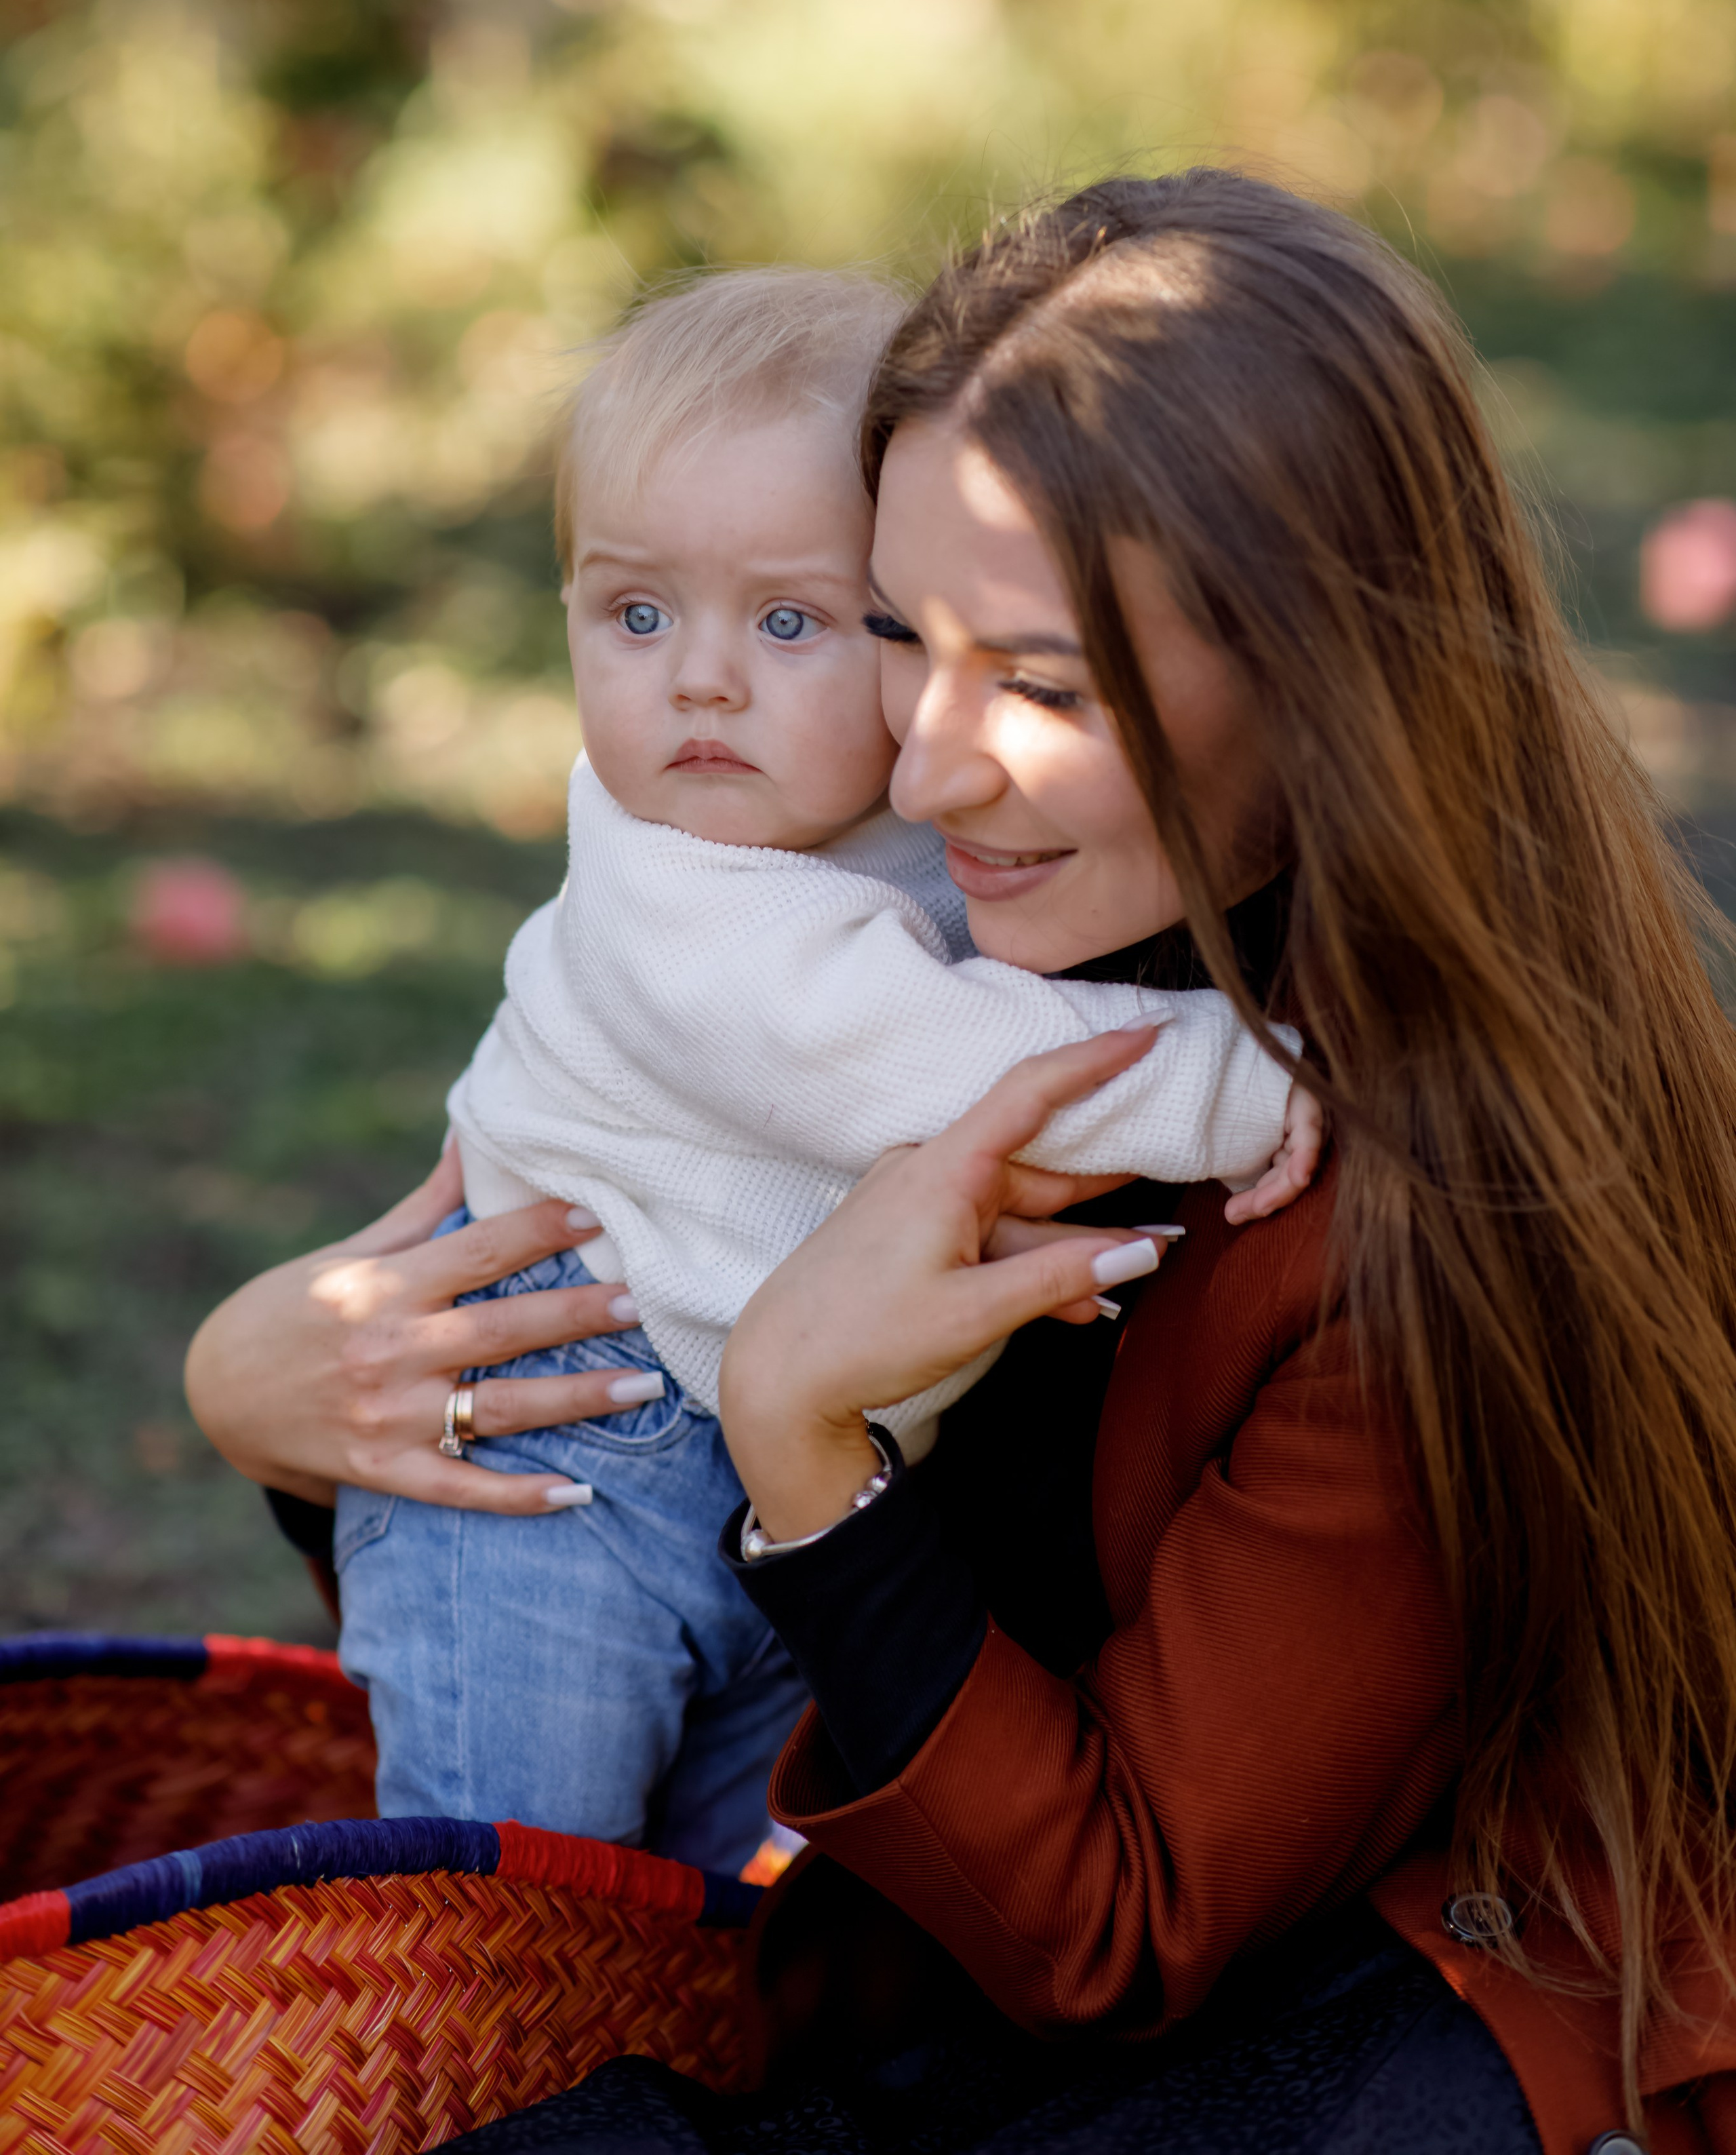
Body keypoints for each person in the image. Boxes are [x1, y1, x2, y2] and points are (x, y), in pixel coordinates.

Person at [189, 169, 1736, 2153]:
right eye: (904, 636)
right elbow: (595, 1461)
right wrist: (260, 1382)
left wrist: (805, 1452)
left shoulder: (1413, 1198)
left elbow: (1120, 1930)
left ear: (1328, 690)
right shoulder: (982, 931)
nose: (927, 768)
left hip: (1307, 2054)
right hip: (919, 1955)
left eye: (1050, 686)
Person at [317, 264, 1320, 1869]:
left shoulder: (883, 812)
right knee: (512, 1893)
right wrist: (1269, 1078)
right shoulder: (682, 892)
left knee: (728, 1924)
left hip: (755, 1464)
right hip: (558, 1459)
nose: (698, 678)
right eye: (632, 614)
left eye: (792, 620)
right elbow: (951, 1063)